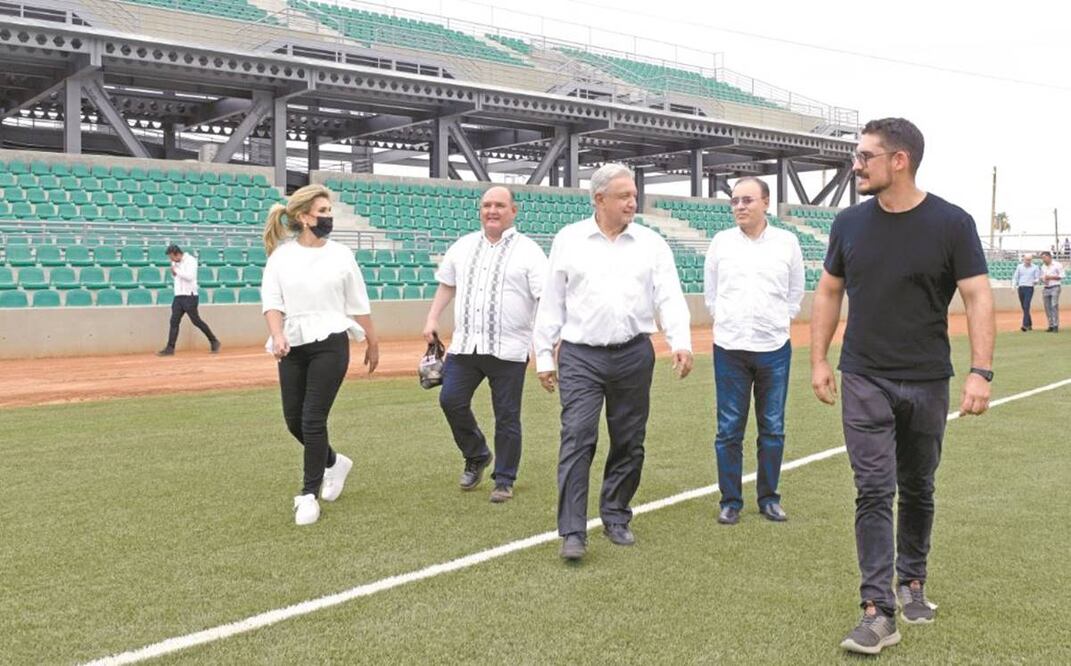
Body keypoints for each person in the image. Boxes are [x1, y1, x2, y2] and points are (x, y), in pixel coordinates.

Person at [810, 118, 995, 655]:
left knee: (918, 486)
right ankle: (877, 610)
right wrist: (820, 359)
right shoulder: (848, 224)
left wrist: (981, 371)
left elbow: (977, 297)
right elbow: (827, 292)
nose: (855, 164)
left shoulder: (951, 224)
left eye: (865, 156)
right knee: (872, 488)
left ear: (899, 161)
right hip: (863, 374)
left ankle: (912, 580)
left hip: (927, 379)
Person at [533, 162, 694, 561]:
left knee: (629, 441)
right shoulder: (568, 240)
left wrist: (681, 341)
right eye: (624, 196)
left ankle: (616, 514)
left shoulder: (652, 243)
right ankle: (572, 531)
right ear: (599, 199)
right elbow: (552, 300)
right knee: (577, 437)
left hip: (633, 354)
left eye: (635, 196)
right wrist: (542, 356)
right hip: (580, 356)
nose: (632, 203)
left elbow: (669, 295)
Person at [260, 184, 379, 526]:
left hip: (331, 340)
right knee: (293, 421)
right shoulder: (281, 256)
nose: (328, 217)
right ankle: (334, 462)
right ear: (303, 217)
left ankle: (308, 494)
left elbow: (359, 303)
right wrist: (278, 335)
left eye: (329, 211)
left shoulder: (341, 255)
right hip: (292, 344)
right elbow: (272, 302)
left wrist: (373, 342)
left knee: (313, 419)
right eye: (322, 212)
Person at [422, 186, 548, 503]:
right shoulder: (463, 246)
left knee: (506, 415)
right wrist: (432, 318)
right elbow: (447, 283)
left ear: (513, 211)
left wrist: (546, 340)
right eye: (487, 205)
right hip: (465, 346)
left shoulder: (529, 251)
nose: (492, 210)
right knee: (450, 400)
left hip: (509, 348)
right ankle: (477, 454)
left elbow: (544, 297)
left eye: (500, 205)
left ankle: (504, 479)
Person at [703, 176, 804, 526]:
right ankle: (730, 501)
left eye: (747, 200)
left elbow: (795, 293)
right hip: (730, 347)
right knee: (729, 429)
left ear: (765, 204)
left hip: (774, 347)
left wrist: (776, 321)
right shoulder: (720, 243)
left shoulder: (788, 243)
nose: (740, 207)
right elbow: (711, 293)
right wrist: (729, 321)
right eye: (735, 201)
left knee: (772, 427)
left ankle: (769, 498)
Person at [156, 244, 221, 357]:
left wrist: (176, 271)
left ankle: (214, 340)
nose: (170, 259)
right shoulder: (175, 263)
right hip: (179, 296)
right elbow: (177, 278)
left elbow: (190, 277)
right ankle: (170, 348)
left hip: (189, 296)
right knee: (174, 321)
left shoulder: (191, 260)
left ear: (177, 254)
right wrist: (175, 273)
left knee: (196, 321)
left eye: (171, 256)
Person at [1011, 253, 1041, 331]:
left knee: (1026, 305)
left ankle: (1024, 325)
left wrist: (1035, 281)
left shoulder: (1035, 267)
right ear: (1024, 259)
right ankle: (1029, 324)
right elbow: (1015, 277)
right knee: (1024, 307)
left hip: (1029, 288)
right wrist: (1013, 286)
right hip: (1021, 287)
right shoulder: (1019, 267)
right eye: (1027, 259)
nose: (1028, 261)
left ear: (1031, 260)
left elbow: (1037, 278)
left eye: (1029, 260)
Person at [1039, 250, 1064, 332]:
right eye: (1042, 258)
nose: (1043, 259)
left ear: (1049, 257)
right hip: (1046, 287)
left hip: (1055, 287)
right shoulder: (1043, 266)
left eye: (1044, 257)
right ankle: (1051, 325)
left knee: (1054, 306)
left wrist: (1050, 277)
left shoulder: (1057, 265)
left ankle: (1056, 325)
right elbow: (1042, 277)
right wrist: (1043, 279)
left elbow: (1061, 276)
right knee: (1047, 307)